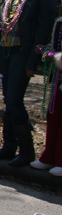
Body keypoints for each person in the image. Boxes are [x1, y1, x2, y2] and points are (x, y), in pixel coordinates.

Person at [0, 0, 55, 166]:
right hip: (6, 52)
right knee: (8, 100)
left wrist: (31, 63)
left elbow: (42, 32)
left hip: (22, 53)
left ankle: (27, 151)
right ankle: (9, 146)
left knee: (15, 101)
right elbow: (3, 27)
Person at [33, 16, 62, 176]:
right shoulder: (60, 22)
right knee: (53, 117)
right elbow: (55, 48)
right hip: (59, 78)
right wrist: (46, 50)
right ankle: (49, 157)